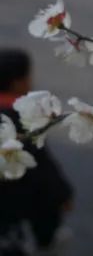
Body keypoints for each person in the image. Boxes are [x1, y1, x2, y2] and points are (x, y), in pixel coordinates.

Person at [0, 49, 73, 256]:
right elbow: (42, 165)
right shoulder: (18, 118)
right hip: (14, 205)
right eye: (28, 77)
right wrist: (62, 193)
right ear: (16, 82)